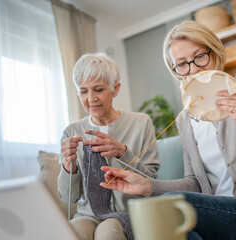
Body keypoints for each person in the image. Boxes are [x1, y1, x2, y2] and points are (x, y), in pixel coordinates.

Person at [100, 20, 236, 240]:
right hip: (229, 219)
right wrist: (147, 185)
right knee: (173, 224)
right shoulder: (185, 120)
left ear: (215, 54)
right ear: (176, 72)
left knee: (177, 207)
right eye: (182, 64)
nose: (194, 69)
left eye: (199, 57)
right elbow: (195, 183)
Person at [58, 53, 160, 240]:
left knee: (108, 233)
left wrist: (123, 153)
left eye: (98, 89)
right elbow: (68, 198)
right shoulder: (71, 131)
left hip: (129, 213)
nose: (91, 98)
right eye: (83, 91)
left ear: (115, 88)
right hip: (88, 215)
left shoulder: (141, 123)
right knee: (71, 231)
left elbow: (152, 182)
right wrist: (68, 166)